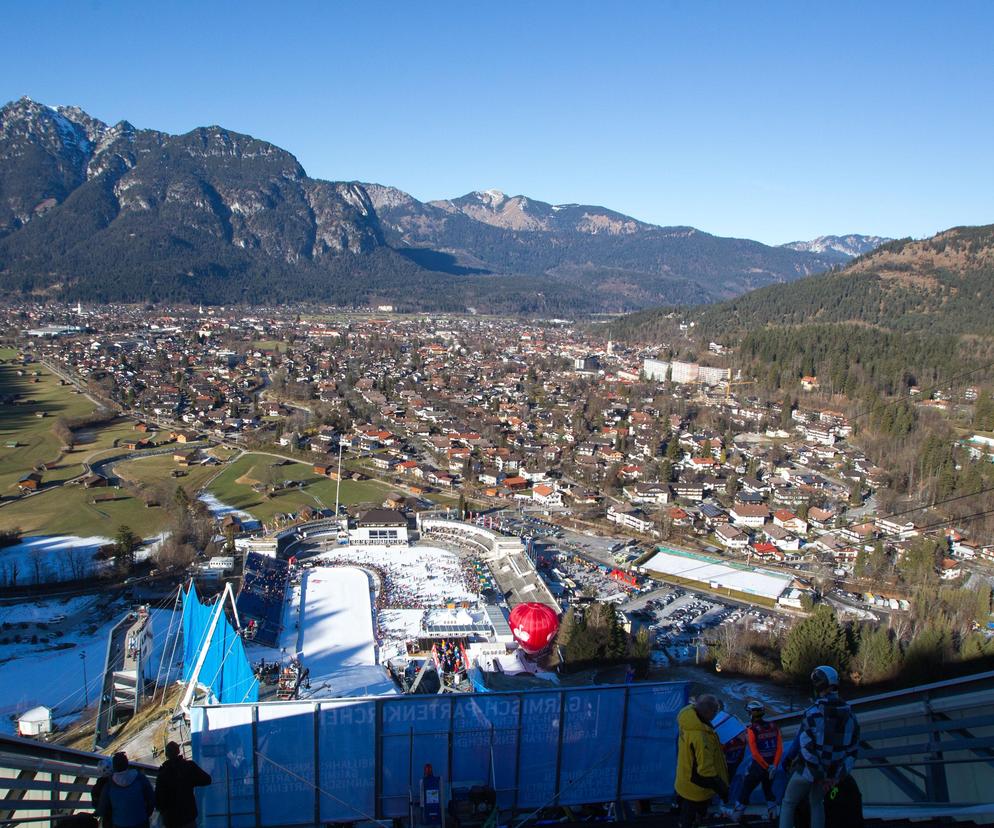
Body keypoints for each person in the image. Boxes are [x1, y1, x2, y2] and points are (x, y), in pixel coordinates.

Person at [779, 666, 860, 828]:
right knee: (817, 803)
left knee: (788, 803)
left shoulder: (813, 713)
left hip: (810, 771)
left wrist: (819, 773)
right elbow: (852, 751)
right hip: (831, 774)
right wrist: (834, 776)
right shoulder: (850, 715)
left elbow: (806, 748)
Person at [675, 694, 730, 828]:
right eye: (715, 711)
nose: (716, 714)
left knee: (686, 815)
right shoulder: (700, 737)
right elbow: (705, 771)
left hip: (684, 779)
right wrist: (723, 790)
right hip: (696, 790)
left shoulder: (688, 718)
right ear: (708, 712)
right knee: (691, 818)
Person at [733, 701, 783, 822]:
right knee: (768, 789)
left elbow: (755, 753)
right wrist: (774, 766)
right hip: (772, 766)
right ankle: (773, 814)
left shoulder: (751, 730)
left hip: (759, 767)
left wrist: (766, 766)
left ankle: (736, 815)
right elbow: (779, 748)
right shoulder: (774, 726)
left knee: (746, 788)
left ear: (751, 714)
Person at [155, 741, 213, 828]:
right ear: (178, 751)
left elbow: (158, 801)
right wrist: (192, 782)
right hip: (188, 817)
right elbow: (207, 780)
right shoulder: (189, 766)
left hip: (171, 820)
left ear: (166, 754)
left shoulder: (162, 774)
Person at [98, 753, 154, 828]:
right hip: (141, 821)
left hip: (120, 824)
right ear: (127, 763)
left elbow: (103, 809)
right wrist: (146, 813)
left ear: (114, 767)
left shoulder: (109, 785)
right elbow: (151, 798)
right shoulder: (140, 778)